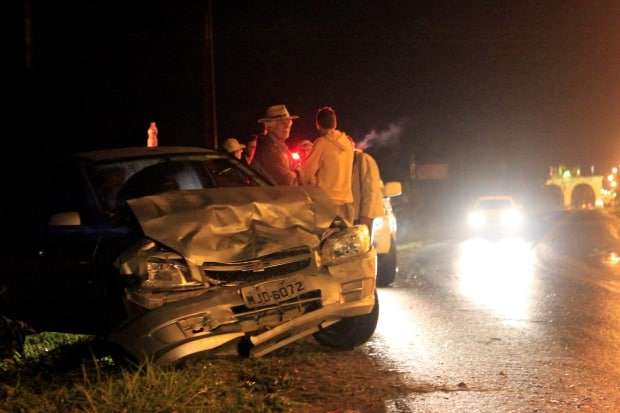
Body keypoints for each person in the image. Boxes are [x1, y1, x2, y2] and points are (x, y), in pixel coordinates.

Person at [300, 106, 355, 223]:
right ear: (335, 123)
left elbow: (306, 173)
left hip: (328, 204)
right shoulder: (347, 143)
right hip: (347, 204)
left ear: (317, 124)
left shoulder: (322, 143)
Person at [252, 105, 299, 185]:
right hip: (270, 196)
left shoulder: (279, 147)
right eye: (282, 122)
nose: (287, 125)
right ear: (269, 126)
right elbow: (289, 182)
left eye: (289, 121)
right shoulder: (268, 151)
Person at [351, 148, 384, 236]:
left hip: (363, 218)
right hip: (353, 218)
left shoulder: (362, 159)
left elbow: (371, 191)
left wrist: (366, 216)